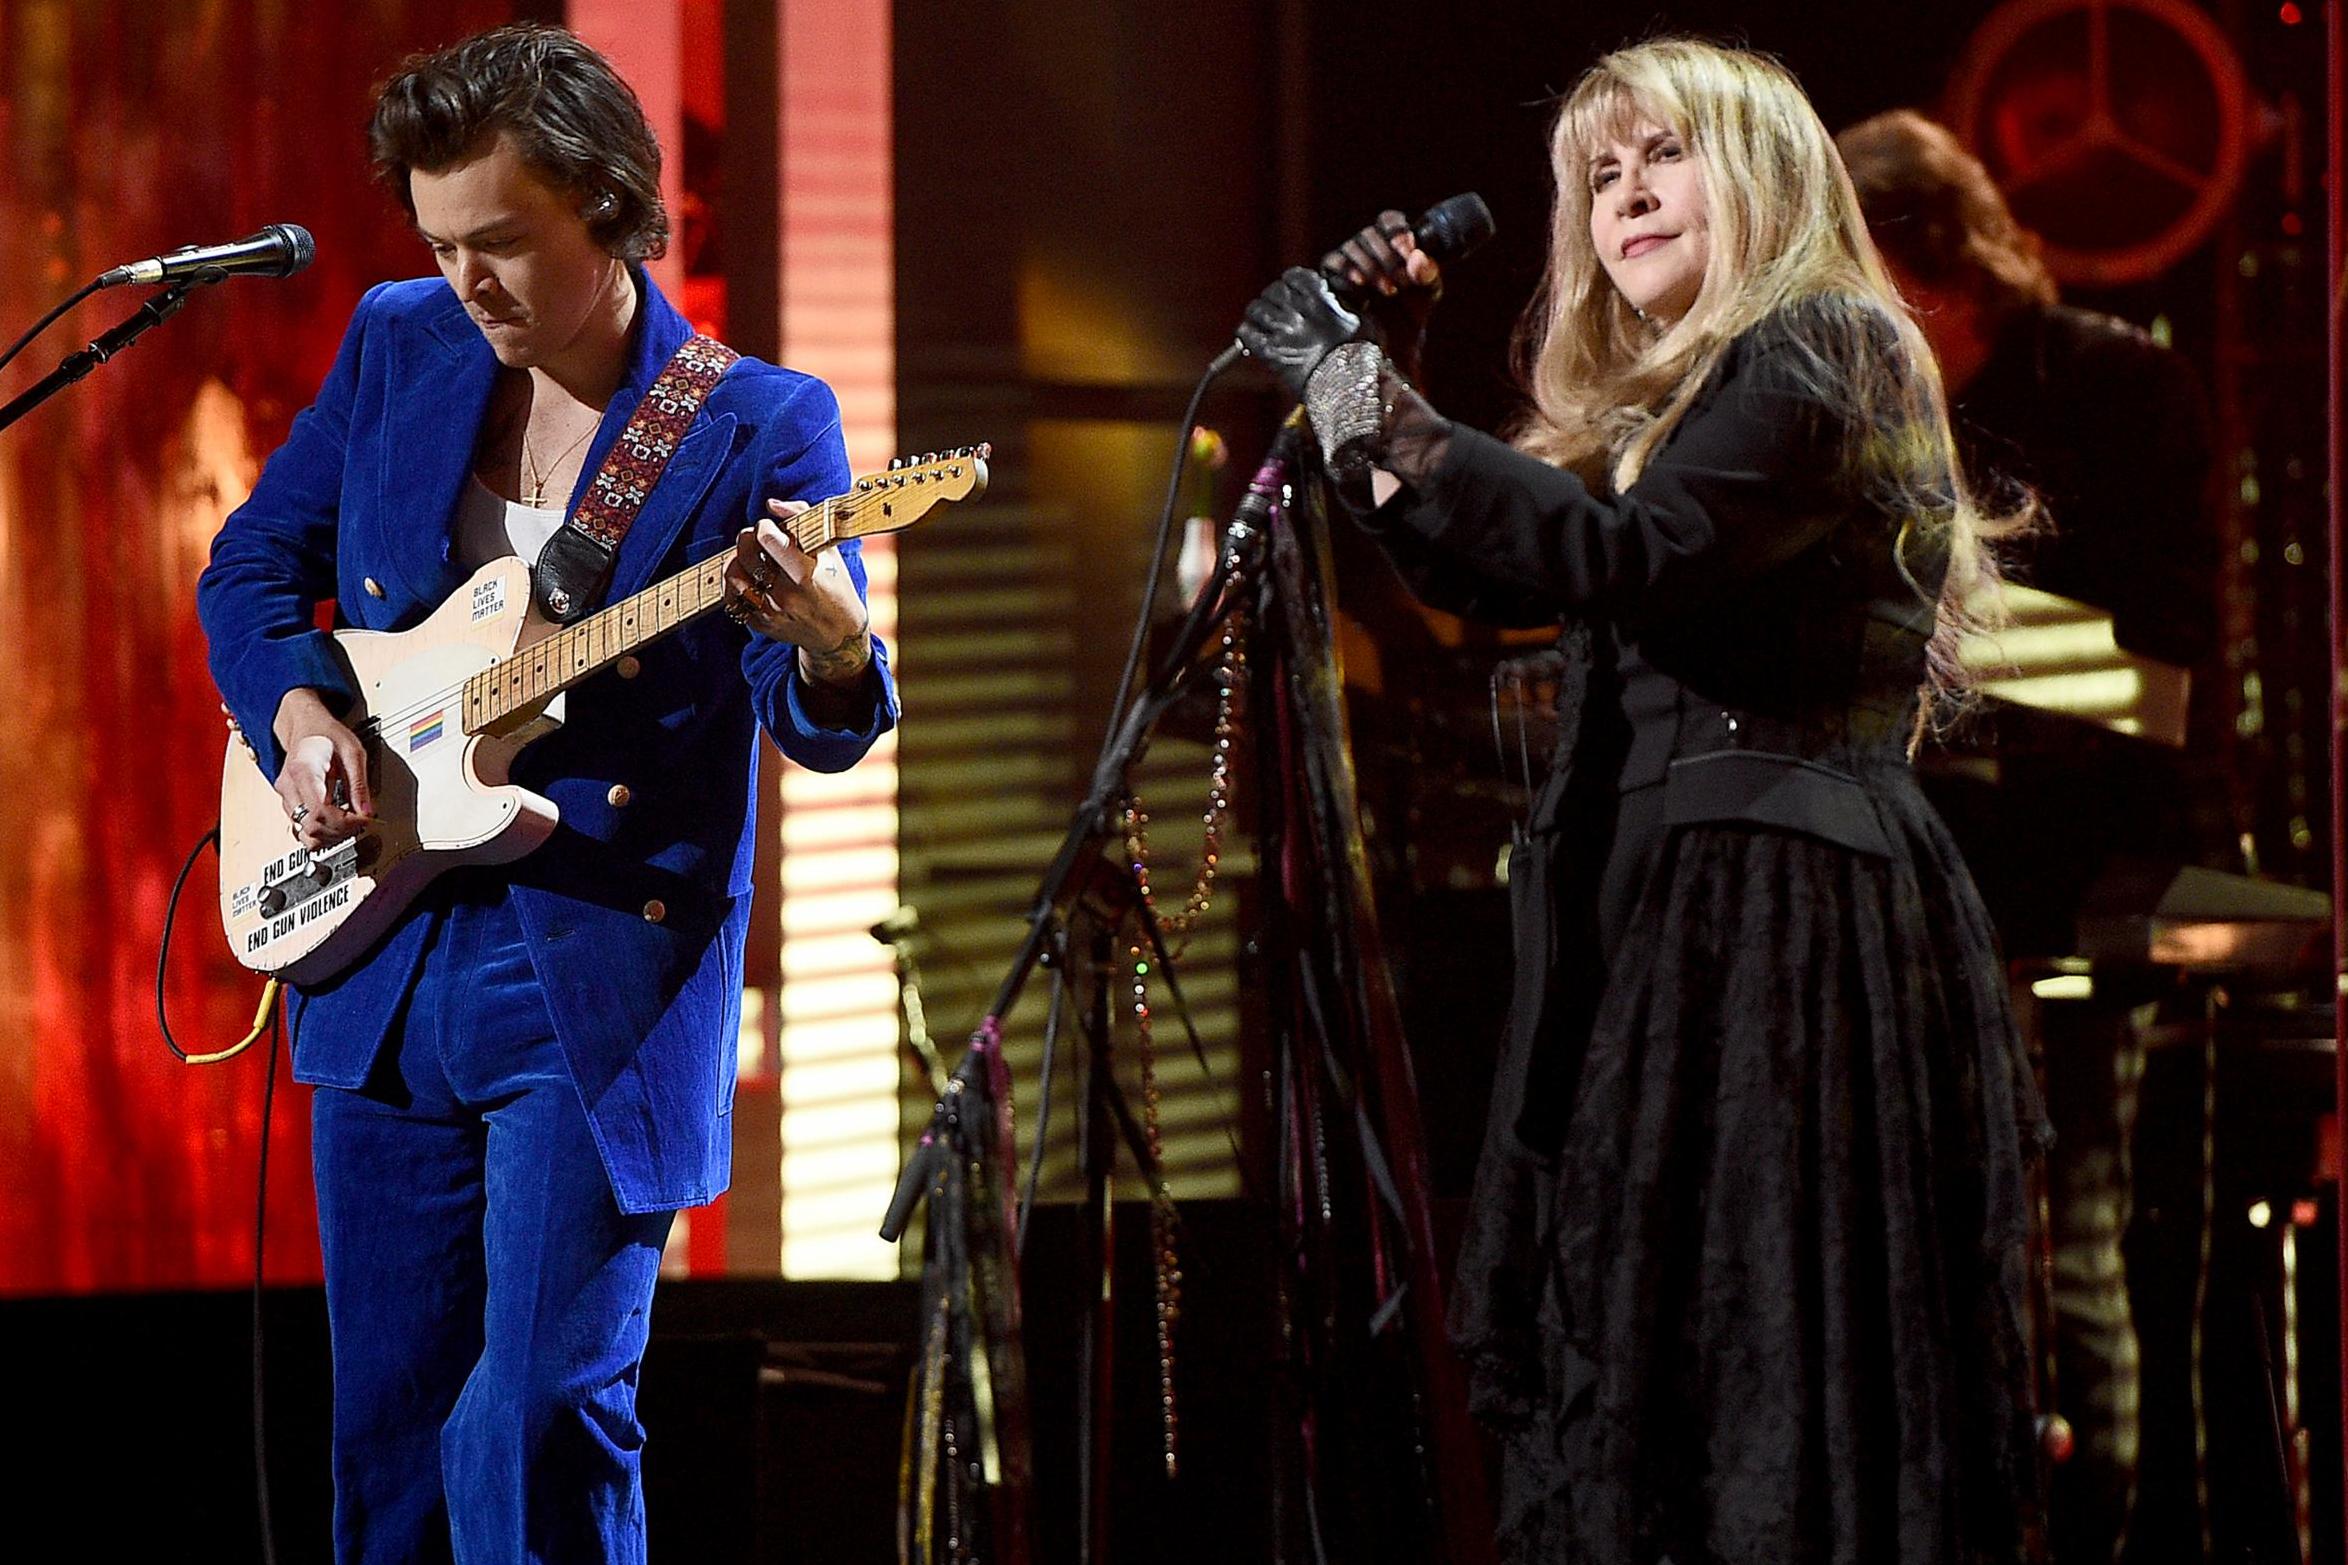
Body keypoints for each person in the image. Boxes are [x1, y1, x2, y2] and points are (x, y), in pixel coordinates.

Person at [1238, 38, 2041, 1563]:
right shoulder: (1697, 402)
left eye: (1660, 156)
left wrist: (1359, 387)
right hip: (1681, 924)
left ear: (1762, 173)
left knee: (1757, 1357)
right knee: (1662, 1364)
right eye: (1600, 177)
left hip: (1780, 929)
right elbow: (1493, 568)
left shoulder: (1824, 349)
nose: (1625, 196)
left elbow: (1622, 558)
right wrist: (1373, 385)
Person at [196, 25, 896, 1563]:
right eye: (444, 246)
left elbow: (818, 718)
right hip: (382, 957)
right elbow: (251, 564)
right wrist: (300, 709)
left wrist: (836, 642)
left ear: (616, 208)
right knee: (390, 1434)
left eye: (503, 243)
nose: (470, 284)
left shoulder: (755, 423)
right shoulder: (399, 342)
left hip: (592, 975)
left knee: (540, 1420)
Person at [1838, 109, 2226, 1565]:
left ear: (1936, 263)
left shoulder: (2123, 391)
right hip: (1906, 893)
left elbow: (2168, 675)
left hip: (2085, 892)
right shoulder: (1865, 416)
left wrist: (1932, 631)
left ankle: (2091, 1529)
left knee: (2070, 1267)